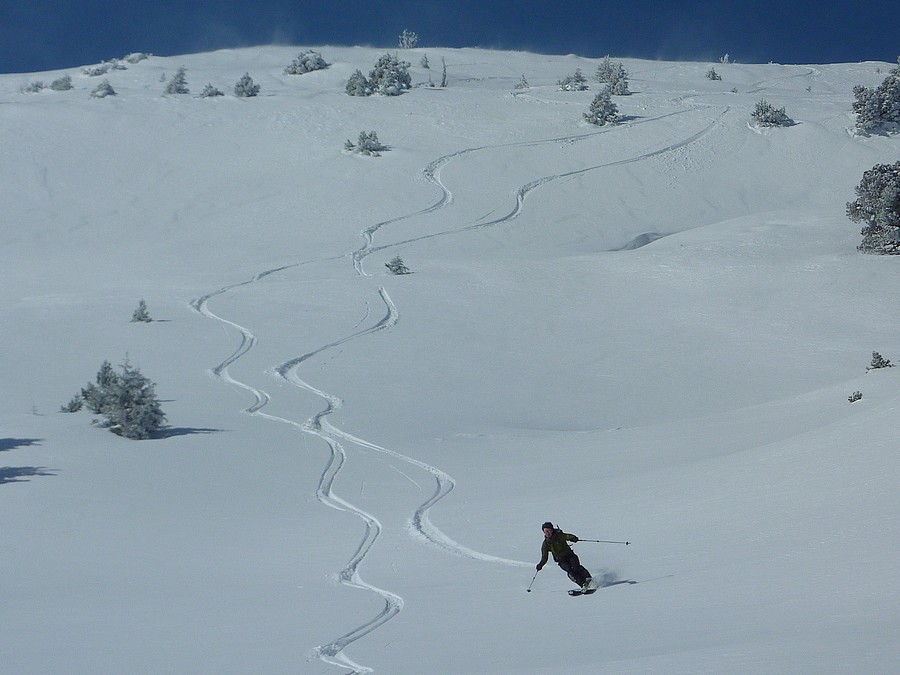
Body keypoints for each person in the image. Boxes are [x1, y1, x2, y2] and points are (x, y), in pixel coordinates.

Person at [536, 521, 593, 589]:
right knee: (570, 572)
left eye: (548, 531)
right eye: (545, 531)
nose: (547, 533)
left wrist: (573, 538)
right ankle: (583, 585)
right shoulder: (546, 544)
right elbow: (544, 557)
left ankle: (588, 579)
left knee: (576, 567)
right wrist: (540, 565)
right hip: (561, 560)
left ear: (552, 530)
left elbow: (567, 536)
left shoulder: (559, 536)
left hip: (570, 555)